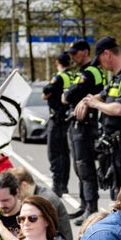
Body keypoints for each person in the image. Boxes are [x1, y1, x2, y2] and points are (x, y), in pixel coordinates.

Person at [76, 37, 121, 199]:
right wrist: (86, 101)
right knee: (117, 196)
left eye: (99, 60)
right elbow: (101, 95)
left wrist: (94, 104)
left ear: (107, 54)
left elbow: (119, 109)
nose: (100, 65)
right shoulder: (117, 79)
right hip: (113, 150)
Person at [64, 40, 107, 222]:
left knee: (85, 167)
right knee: (79, 167)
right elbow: (67, 96)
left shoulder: (92, 71)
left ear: (85, 52)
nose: (72, 56)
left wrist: (68, 94)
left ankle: (92, 208)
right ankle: (84, 205)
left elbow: (67, 96)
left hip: (87, 126)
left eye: (75, 53)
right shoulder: (81, 72)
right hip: (76, 125)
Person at [12, 166, 74, 240]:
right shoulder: (38, 196)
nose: (15, 197)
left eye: (16, 192)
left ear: (24, 185)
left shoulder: (44, 201)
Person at [44, 52, 75, 196]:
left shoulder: (58, 77)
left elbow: (45, 93)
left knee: (54, 153)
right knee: (65, 154)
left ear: (57, 62)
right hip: (68, 120)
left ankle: (57, 185)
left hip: (56, 120)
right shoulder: (74, 76)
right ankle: (64, 185)